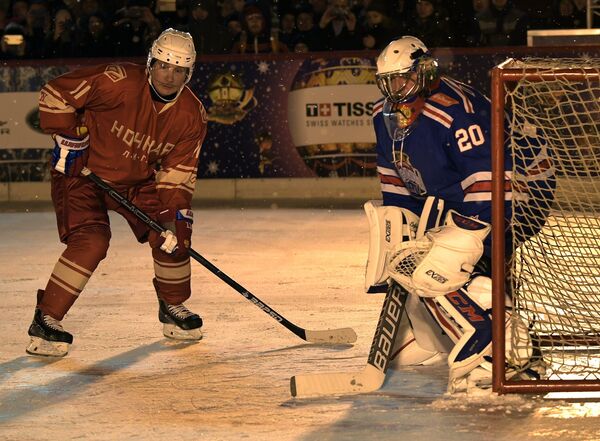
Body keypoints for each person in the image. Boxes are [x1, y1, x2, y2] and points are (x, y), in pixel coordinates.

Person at [365, 36, 553, 392]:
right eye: (387, 81)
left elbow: (491, 184)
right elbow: (394, 173)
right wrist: (403, 222)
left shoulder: (460, 113)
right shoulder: (383, 113)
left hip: (523, 188)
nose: (395, 89)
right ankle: (436, 332)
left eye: (402, 79)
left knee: (450, 263)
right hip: (461, 191)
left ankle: (503, 346)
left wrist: (463, 237)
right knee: (415, 255)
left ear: (425, 73)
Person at [28, 28, 208, 357]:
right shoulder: (118, 79)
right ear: (151, 62)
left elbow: (178, 173)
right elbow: (56, 93)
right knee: (92, 240)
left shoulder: (191, 115)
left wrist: (173, 215)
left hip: (136, 182)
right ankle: (47, 318)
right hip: (83, 175)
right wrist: (70, 138)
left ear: (189, 73)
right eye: (164, 66)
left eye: (180, 70)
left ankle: (172, 306)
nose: (170, 76)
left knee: (177, 231)